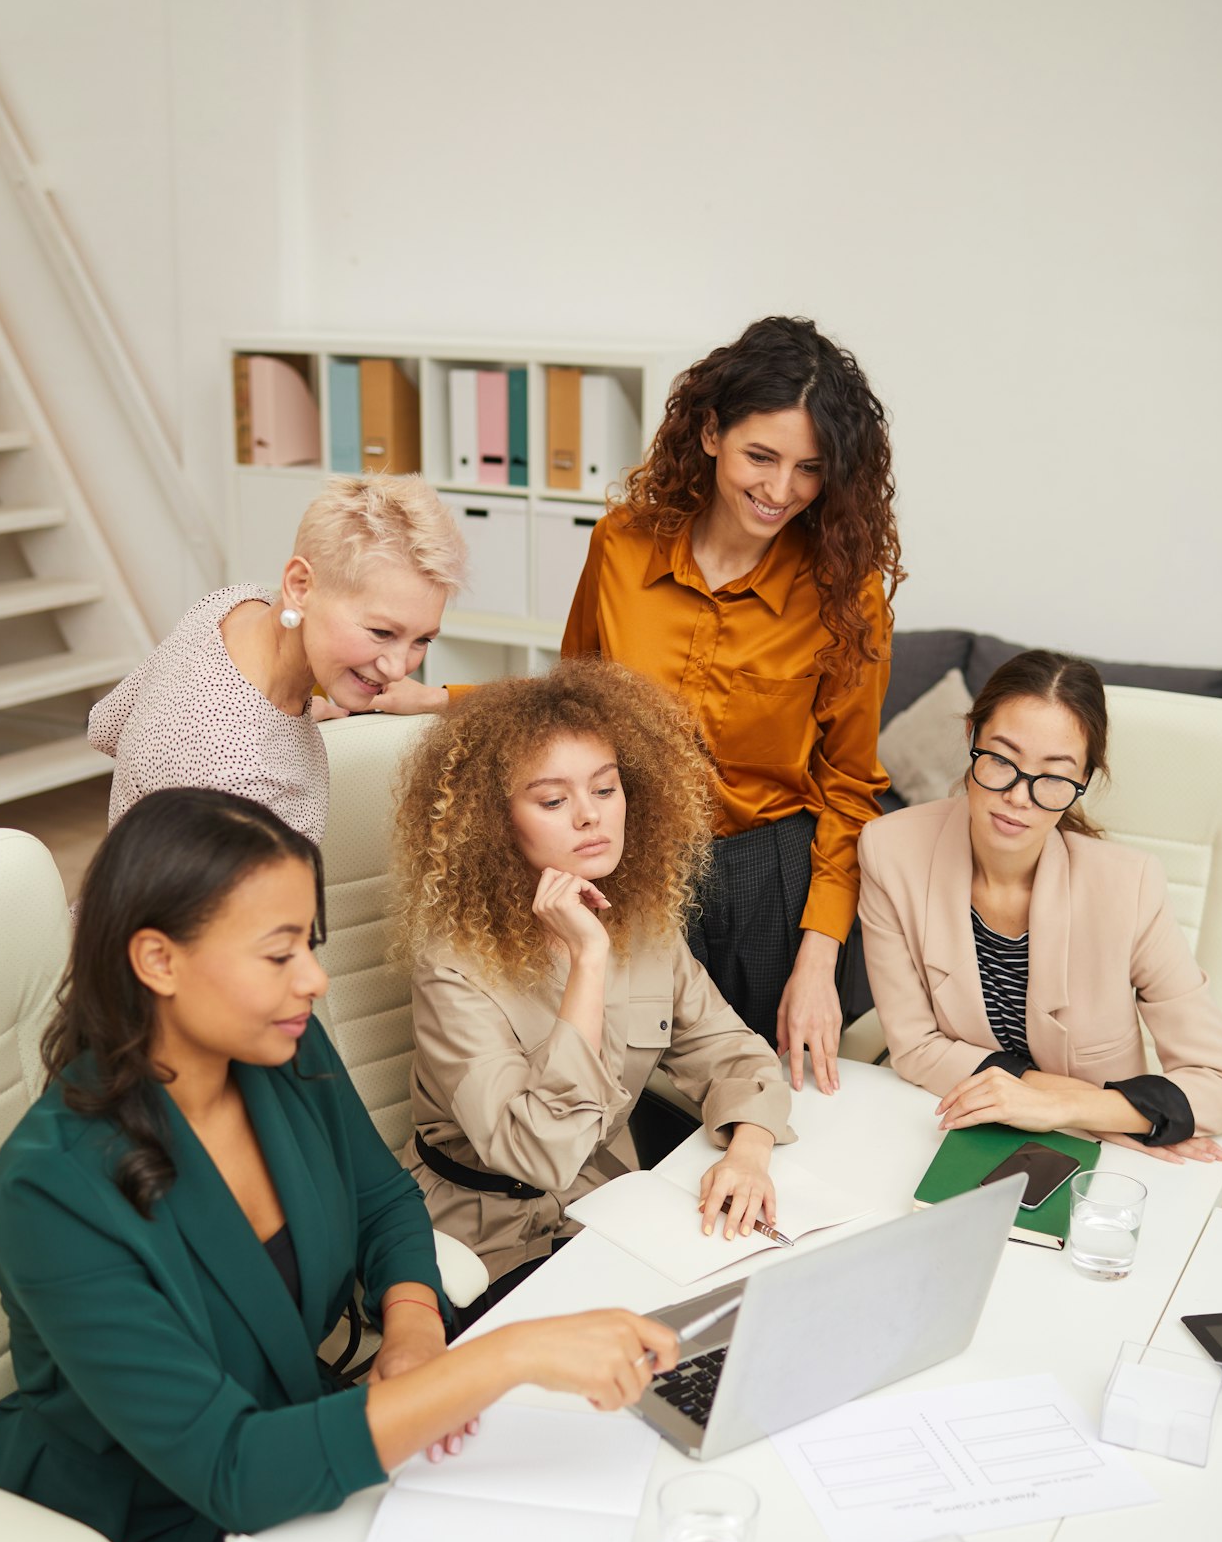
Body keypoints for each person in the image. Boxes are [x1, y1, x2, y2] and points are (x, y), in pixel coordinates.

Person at [0, 791, 677, 1542]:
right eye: (279, 952)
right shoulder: (51, 1189)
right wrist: (510, 1354)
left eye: (310, 943)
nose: (314, 980)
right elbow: (230, 1469)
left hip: (298, 1437)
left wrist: (414, 1327)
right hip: (143, 1531)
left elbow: (381, 1202)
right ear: (157, 959)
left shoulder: (279, 1053)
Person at [381, 317, 904, 1097]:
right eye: (760, 456)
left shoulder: (845, 592)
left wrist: (819, 960)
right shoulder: (622, 545)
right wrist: (436, 698)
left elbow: (849, 787)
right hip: (629, 858)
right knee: (628, 1099)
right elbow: (572, 707)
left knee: (758, 1097)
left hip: (767, 880)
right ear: (708, 433)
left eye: (809, 468)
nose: (780, 490)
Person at [391, 659, 796, 1311]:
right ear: (494, 822)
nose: (589, 817)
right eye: (553, 801)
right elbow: (538, 1153)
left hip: (603, 1207)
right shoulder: (452, 965)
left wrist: (747, 1152)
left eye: (605, 790)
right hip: (478, 1240)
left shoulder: (643, 925)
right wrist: (588, 959)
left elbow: (732, 1054)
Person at [856, 651, 1222, 1155]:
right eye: (1001, 759)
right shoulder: (890, 849)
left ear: (1083, 782)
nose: (1020, 796)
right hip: (947, 1118)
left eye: (1054, 776)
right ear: (971, 741)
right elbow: (915, 1048)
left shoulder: (1129, 886)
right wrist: (1084, 1103)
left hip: (1095, 1144)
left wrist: (1067, 1110)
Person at [87, 474, 467, 844]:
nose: (398, 668)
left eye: (422, 640)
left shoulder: (232, 604)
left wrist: (289, 720)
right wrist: (252, 736)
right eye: (381, 633)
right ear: (299, 586)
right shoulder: (238, 773)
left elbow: (104, 725)